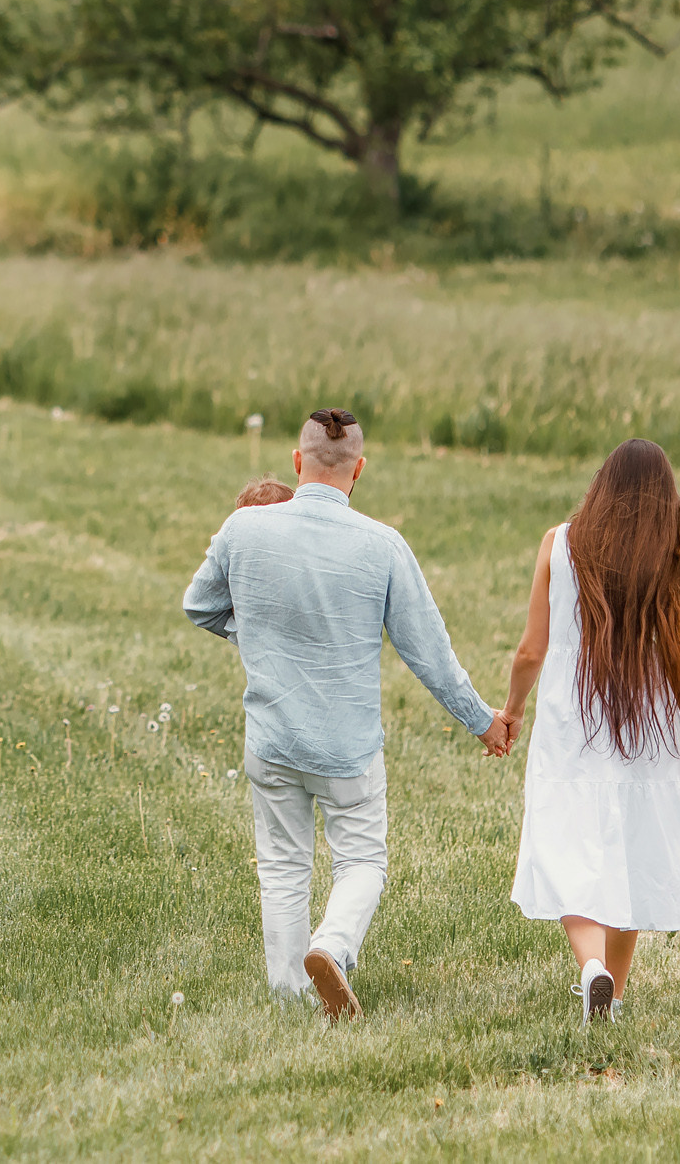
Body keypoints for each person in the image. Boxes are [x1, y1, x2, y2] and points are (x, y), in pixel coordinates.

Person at [185, 407, 508, 1021]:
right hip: (347, 750)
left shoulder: (242, 530)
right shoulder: (382, 546)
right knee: (362, 860)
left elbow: (199, 605)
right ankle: (332, 946)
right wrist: (482, 721)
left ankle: (289, 997)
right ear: (359, 469)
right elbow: (429, 655)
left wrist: (256, 641)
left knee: (282, 867)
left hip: (271, 740)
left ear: (297, 462)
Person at [489, 438, 680, 1023]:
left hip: (572, 721)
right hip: (646, 724)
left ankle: (592, 972)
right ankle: (612, 1000)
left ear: (602, 486)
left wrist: (513, 709)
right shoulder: (661, 558)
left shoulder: (561, 542)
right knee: (631, 851)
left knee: (564, 848)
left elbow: (531, 649)